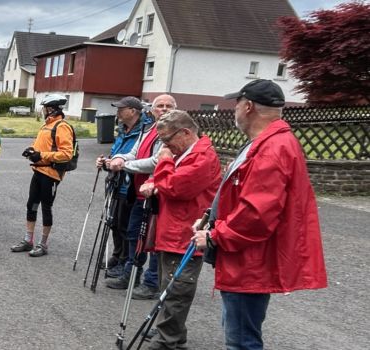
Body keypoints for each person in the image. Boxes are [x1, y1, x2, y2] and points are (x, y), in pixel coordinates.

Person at [193, 79, 327, 350]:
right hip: (245, 257)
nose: (235, 110)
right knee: (240, 334)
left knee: (242, 341)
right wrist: (211, 215)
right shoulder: (262, 144)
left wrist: (215, 236)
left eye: (237, 104)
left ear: (249, 106)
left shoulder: (271, 149)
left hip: (249, 261)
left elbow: (257, 215)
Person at [137, 110, 220, 350]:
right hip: (172, 229)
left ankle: (167, 340)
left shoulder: (203, 157)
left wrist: (163, 161)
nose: (165, 146)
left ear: (185, 132)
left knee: (176, 290)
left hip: (184, 234)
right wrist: (156, 184)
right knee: (168, 287)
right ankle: (172, 332)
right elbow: (170, 183)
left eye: (166, 140)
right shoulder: (187, 154)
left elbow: (175, 187)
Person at [104, 94, 177, 300]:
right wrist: (119, 158)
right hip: (139, 191)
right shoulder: (149, 130)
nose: (163, 109)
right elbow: (135, 152)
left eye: (168, 106)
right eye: (159, 106)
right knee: (134, 234)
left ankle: (151, 282)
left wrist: (125, 165)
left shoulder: (173, 133)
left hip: (157, 193)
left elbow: (155, 161)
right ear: (152, 110)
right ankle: (130, 274)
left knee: (153, 239)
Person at [95, 96, 153, 276]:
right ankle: (117, 254)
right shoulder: (122, 130)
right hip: (116, 180)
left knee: (126, 225)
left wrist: (120, 163)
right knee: (114, 221)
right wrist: (105, 161)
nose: (118, 112)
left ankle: (124, 260)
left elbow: (135, 156)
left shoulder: (143, 130)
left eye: (121, 109)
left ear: (133, 111)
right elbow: (116, 153)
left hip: (130, 184)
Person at [10, 95, 74, 257]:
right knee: (31, 204)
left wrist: (42, 155)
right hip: (38, 171)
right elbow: (41, 146)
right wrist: (31, 151)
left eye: (44, 108)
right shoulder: (47, 125)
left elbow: (66, 154)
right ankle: (28, 240)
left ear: (51, 109)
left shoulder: (62, 126)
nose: (43, 111)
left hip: (51, 174)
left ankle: (43, 244)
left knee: (46, 208)